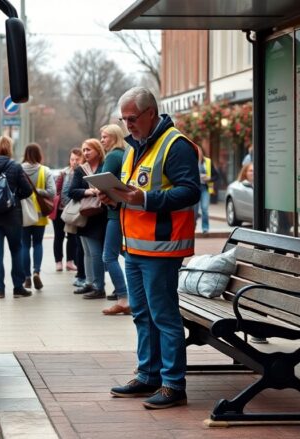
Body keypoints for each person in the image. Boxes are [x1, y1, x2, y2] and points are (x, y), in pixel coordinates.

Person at [102, 87, 199, 410]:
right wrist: (112, 197)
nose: (128, 125)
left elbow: (190, 191)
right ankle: (148, 375)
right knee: (142, 314)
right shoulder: (135, 147)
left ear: (151, 114)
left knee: (163, 315)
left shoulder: (176, 145)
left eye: (132, 118)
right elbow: (132, 191)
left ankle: (173, 384)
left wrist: (144, 199)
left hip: (162, 247)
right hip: (135, 247)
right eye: (124, 119)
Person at [0, 136, 33, 298]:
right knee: (16, 250)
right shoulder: (15, 166)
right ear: (10, 148)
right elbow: (28, 190)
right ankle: (18, 288)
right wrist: (14, 197)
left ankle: (0, 289)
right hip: (12, 216)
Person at [69, 138, 107, 299]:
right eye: (84, 150)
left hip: (100, 214)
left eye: (88, 150)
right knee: (87, 252)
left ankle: (99, 285)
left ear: (98, 150)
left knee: (96, 252)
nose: (85, 153)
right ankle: (89, 282)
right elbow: (72, 191)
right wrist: (89, 192)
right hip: (84, 215)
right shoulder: (80, 170)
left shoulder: (105, 167)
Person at [98, 124, 129, 314]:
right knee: (127, 253)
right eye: (101, 137)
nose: (102, 140)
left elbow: (104, 183)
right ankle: (133, 294)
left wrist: (96, 188)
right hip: (124, 211)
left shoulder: (112, 156)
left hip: (114, 214)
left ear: (115, 137)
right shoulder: (125, 154)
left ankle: (124, 298)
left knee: (108, 256)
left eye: (105, 137)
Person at [21, 143, 55, 290]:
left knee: (24, 245)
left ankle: (27, 277)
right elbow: (52, 192)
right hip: (40, 214)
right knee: (38, 244)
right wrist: (38, 191)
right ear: (39, 154)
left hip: (24, 214)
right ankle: (37, 272)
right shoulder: (45, 170)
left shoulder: (19, 169)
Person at [53, 148, 82, 273]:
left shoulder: (82, 172)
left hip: (74, 210)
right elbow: (57, 190)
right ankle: (58, 261)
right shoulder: (63, 173)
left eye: (77, 159)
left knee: (72, 236)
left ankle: (70, 262)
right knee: (58, 236)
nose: (74, 162)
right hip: (60, 210)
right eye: (72, 159)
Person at [195, 146, 218, 234]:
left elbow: (216, 176)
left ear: (202, 152)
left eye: (199, 151)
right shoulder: (191, 160)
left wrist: (209, 178)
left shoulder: (208, 162)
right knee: (195, 211)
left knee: (204, 209)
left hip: (205, 188)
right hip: (195, 189)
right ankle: (193, 227)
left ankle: (205, 228)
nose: (198, 153)